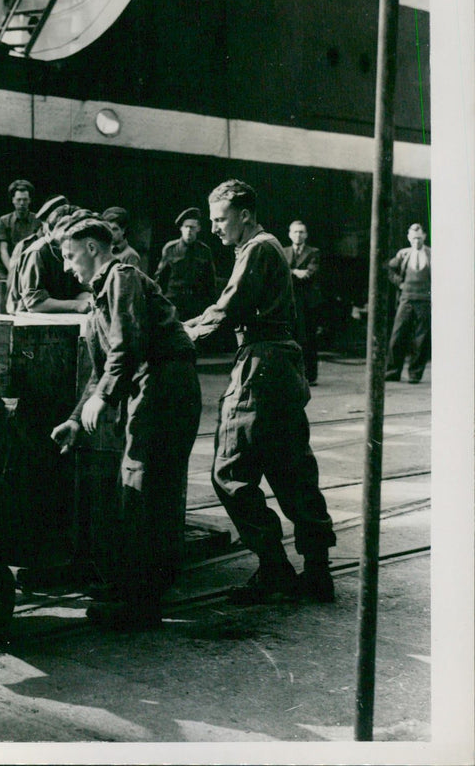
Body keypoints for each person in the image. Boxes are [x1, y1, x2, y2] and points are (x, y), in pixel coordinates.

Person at [184, 179, 336, 605]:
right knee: (291, 467)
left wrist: (178, 334)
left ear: (244, 215)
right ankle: (318, 572)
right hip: (282, 364)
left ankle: (274, 569)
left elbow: (225, 310)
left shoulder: (257, 249)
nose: (214, 228)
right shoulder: (266, 247)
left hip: (260, 364)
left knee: (229, 471)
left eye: (220, 219)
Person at [50, 214, 202, 630]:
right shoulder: (101, 296)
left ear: (93, 249)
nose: (67, 266)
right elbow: (101, 368)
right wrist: (76, 421)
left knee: (141, 484)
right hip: (153, 386)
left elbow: (127, 345)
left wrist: (105, 397)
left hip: (164, 385)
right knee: (143, 485)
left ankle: (139, 602)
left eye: (70, 255)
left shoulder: (121, 278)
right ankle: (141, 589)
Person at [11, 200, 90, 314]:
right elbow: (34, 304)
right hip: (29, 322)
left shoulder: (74, 250)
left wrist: (88, 300)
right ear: (53, 230)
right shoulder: (37, 252)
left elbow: (79, 290)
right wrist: (76, 305)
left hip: (62, 318)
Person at [5, 194, 69, 313]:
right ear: (47, 223)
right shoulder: (31, 248)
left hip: (58, 314)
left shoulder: (65, 246)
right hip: (26, 316)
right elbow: (15, 291)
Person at [385, 223, 431, 384]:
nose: (416, 241)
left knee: (421, 339)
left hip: (425, 300)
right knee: (397, 336)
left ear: (424, 236)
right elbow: (389, 269)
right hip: (406, 298)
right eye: (413, 238)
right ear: (408, 238)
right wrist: (400, 283)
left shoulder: (432, 254)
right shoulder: (403, 254)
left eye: (418, 238)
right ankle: (392, 372)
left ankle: (415, 374)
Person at [154, 207, 217, 322]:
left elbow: (210, 282)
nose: (189, 230)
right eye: (186, 227)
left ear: (198, 229)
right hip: (173, 304)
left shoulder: (204, 251)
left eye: (192, 227)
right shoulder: (170, 249)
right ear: (181, 228)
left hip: (196, 306)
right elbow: (160, 279)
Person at [284, 220, 321, 385]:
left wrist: (292, 272)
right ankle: (291, 374)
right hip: (289, 301)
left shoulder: (314, 252)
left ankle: (310, 376)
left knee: (309, 338)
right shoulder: (283, 252)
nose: (298, 235)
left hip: (308, 302)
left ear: (306, 235)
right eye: (295, 232)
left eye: (301, 232)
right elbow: (281, 273)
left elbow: (310, 274)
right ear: (290, 234)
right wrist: (295, 272)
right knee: (290, 336)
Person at [0, 179, 41, 273]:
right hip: (12, 265)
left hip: (33, 266)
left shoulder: (38, 220)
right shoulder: (4, 221)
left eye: (25, 200)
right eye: (18, 199)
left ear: (30, 200)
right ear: (13, 200)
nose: (21, 203)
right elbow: (3, 249)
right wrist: (12, 270)